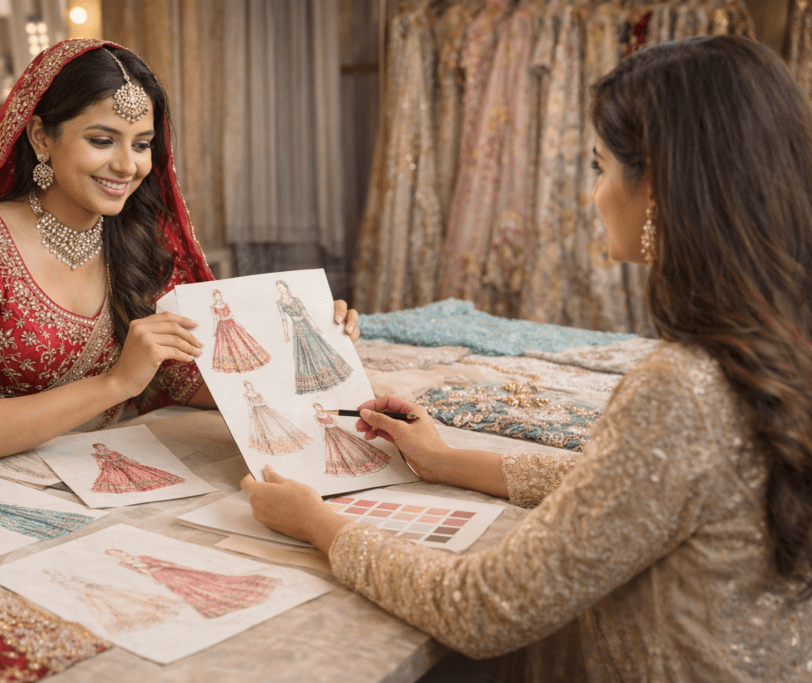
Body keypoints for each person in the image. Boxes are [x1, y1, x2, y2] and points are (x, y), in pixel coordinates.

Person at [243, 36, 812, 680]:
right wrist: (449, 461)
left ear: (656, 185)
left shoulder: (683, 387)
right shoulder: (779, 346)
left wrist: (319, 524)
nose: (593, 197)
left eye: (600, 168)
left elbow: (485, 608)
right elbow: (627, 489)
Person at [0, 39, 359, 505]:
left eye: (142, 145)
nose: (127, 165)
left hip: (103, 481)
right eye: (101, 140)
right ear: (41, 137)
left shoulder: (134, 236)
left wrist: (305, 339)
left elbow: (187, 378)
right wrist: (114, 384)